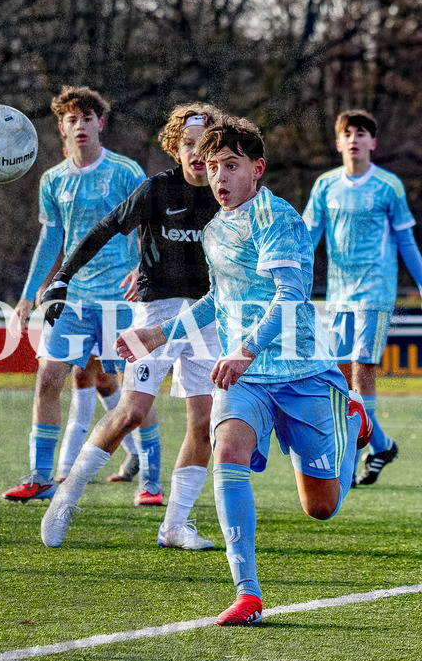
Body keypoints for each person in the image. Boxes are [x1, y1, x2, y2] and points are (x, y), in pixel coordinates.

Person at [81, 114, 373, 625]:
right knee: (228, 452)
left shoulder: (279, 221)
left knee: (321, 508)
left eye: (231, 166)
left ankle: (351, 415)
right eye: (213, 166)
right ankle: (248, 593)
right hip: (246, 378)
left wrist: (246, 349)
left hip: (304, 372)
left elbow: (290, 296)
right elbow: (218, 299)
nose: (219, 177)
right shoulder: (215, 228)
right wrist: (158, 334)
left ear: (257, 169)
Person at [38, 103, 225, 550]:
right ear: (175, 149)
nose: (196, 153)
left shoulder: (228, 194)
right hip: (155, 313)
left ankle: (175, 524)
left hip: (207, 315)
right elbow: (105, 228)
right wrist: (63, 276)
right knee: (132, 412)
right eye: (187, 145)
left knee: (204, 422)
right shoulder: (157, 189)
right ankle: (66, 496)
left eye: (204, 144)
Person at [1, 86, 159, 504]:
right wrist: (29, 293)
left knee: (131, 385)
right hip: (73, 301)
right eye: (72, 119)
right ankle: (39, 477)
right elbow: (51, 238)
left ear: (100, 123)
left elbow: (149, 227)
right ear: (61, 128)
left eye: (88, 118)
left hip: (121, 302)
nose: (81, 125)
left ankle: (152, 482)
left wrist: (143, 271)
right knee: (49, 377)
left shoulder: (126, 172)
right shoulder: (53, 179)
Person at [303, 109, 422, 486]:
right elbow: (308, 237)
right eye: (347, 133)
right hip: (338, 296)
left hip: (376, 293)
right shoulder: (325, 185)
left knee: (362, 370)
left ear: (373, 142)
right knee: (338, 377)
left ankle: (349, 465)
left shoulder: (389, 186)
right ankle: (382, 445)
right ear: (338, 143)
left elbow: (406, 241)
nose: (354, 139)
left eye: (361, 133)